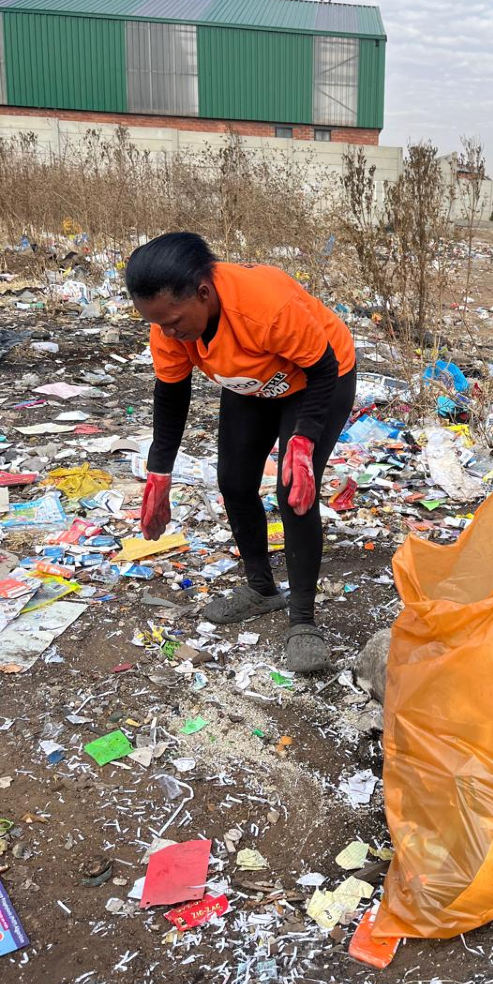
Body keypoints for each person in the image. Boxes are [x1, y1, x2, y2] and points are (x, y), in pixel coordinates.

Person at [126, 232, 356, 673]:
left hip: (316, 380)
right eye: (157, 324)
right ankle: (261, 588)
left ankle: (303, 620)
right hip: (251, 380)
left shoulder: (265, 306)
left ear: (203, 293)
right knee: (233, 481)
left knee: (294, 491)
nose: (169, 333)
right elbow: (171, 396)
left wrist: (304, 441)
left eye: (174, 321)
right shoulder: (168, 326)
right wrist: (160, 472)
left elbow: (323, 368)